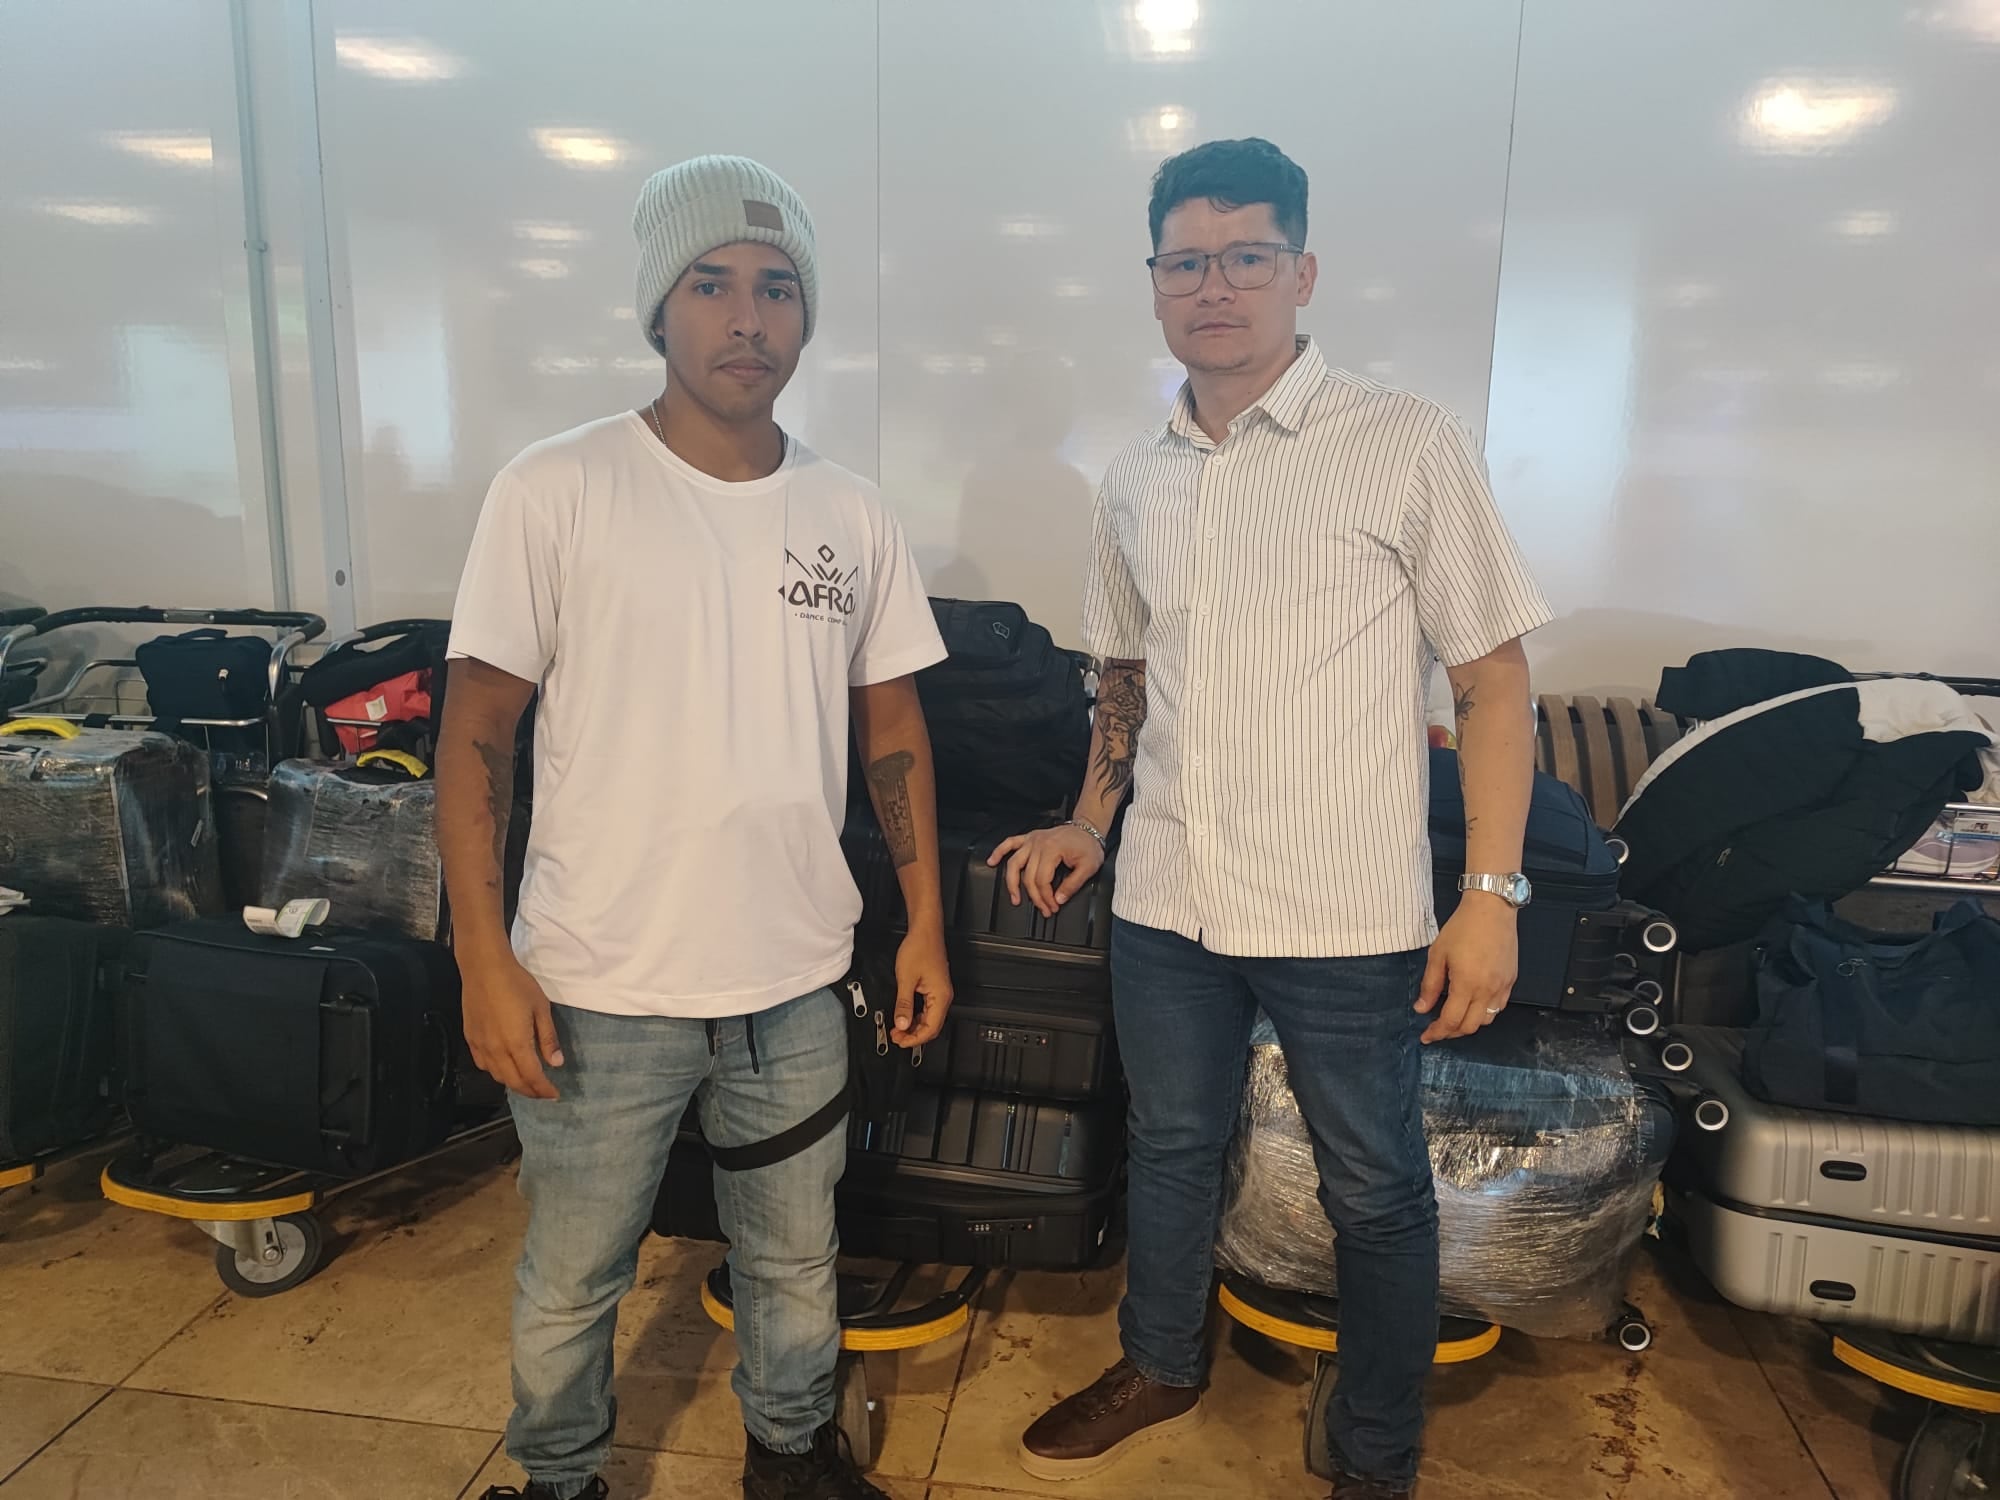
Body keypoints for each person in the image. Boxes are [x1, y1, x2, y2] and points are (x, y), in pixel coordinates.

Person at [992, 137, 1553, 1500]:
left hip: (1343, 908)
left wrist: (1491, 895)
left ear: (1301, 273)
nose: (1215, 285)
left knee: (1374, 1188)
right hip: (1168, 899)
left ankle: (1374, 1452)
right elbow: (1125, 677)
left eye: (1246, 257)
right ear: (1154, 285)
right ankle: (1161, 1360)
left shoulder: (1402, 444)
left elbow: (1491, 679)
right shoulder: (1135, 481)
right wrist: (1088, 820)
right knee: (1174, 1144)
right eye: (1185, 262)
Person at [437, 155, 954, 1500]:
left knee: (791, 1254)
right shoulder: (555, 490)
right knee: (574, 1273)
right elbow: (475, 734)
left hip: (791, 978)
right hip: (599, 980)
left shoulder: (849, 513)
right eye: (711, 283)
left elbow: (891, 733)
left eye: (778, 289)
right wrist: (481, 960)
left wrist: (927, 933)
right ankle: (560, 1478)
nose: (747, 316)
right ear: (657, 310)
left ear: (807, 318)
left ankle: (791, 1453)